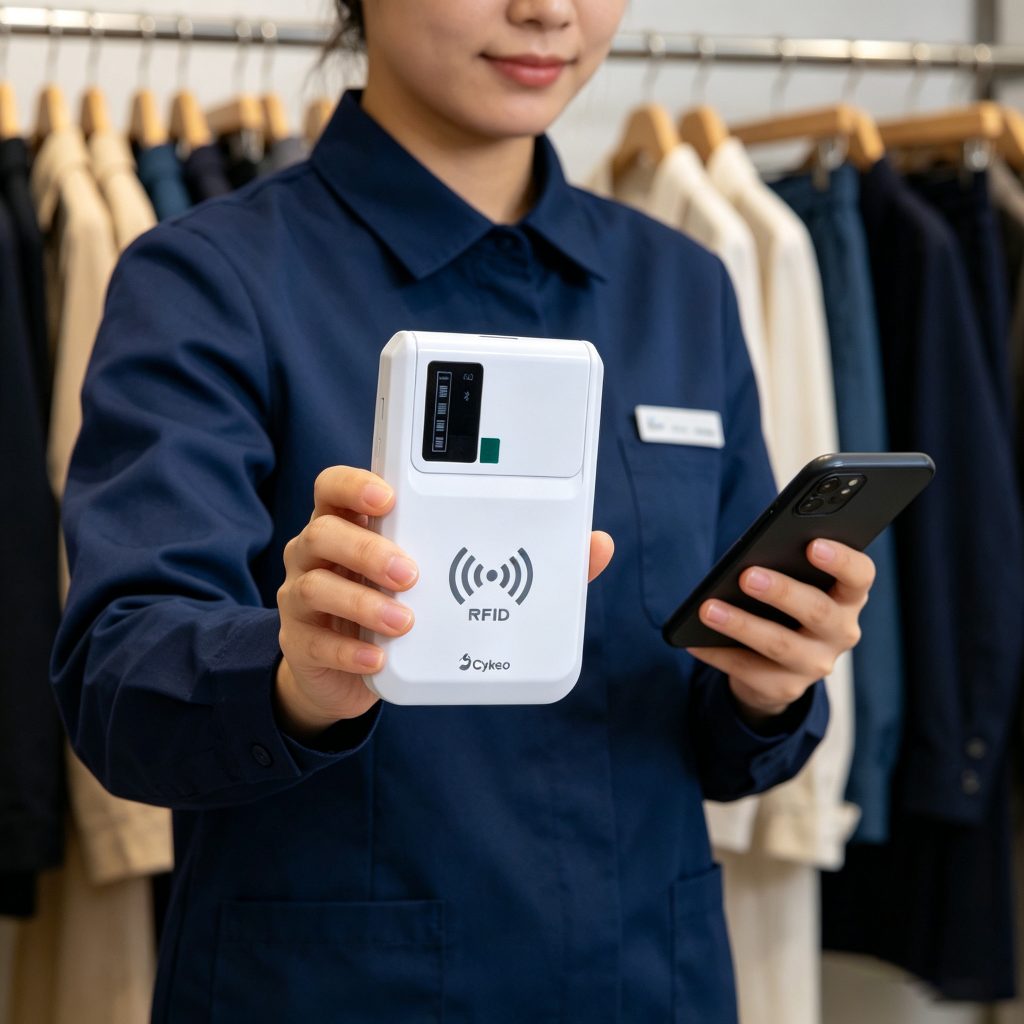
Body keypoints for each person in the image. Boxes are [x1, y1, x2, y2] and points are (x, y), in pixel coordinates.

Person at [51, 1, 876, 1020]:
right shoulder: (208, 279)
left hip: (648, 982)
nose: (546, 9)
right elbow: (116, 684)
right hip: (335, 990)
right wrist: (295, 674)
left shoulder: (683, 287)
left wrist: (772, 686)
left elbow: (715, 734)